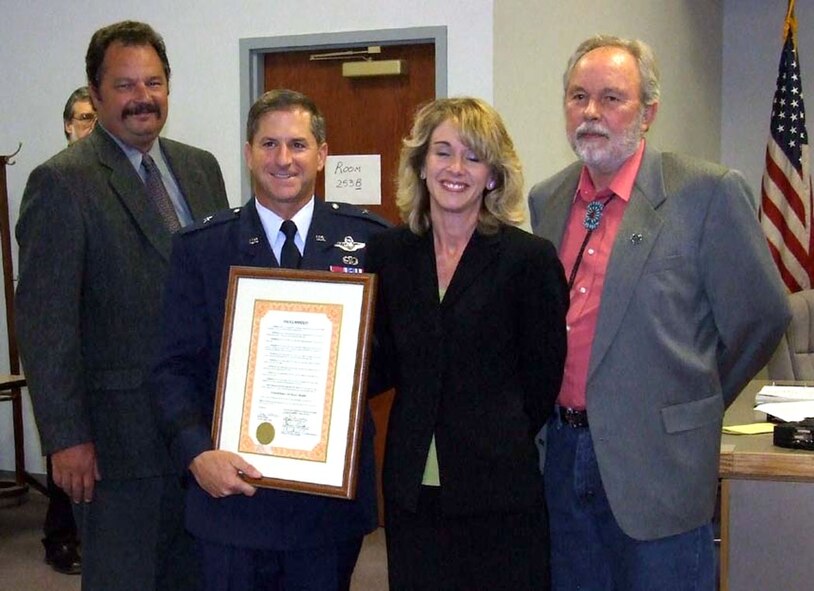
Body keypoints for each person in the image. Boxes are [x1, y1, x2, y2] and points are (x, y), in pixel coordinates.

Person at [528, 34, 791, 591]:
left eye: (611, 98)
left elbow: (763, 315)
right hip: (563, 456)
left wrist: (699, 393)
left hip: (662, 464)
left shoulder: (707, 192)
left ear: (648, 112)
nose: (591, 112)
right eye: (578, 96)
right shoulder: (547, 199)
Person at [15, 20, 228, 591]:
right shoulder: (62, 183)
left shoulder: (201, 168)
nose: (143, 98)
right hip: (115, 448)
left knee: (198, 577)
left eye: (154, 82)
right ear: (96, 90)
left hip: (201, 436)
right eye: (126, 85)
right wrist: (65, 437)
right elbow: (44, 323)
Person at [150, 88, 387, 591]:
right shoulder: (202, 248)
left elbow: (388, 357)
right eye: (269, 144)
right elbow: (172, 368)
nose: (284, 160)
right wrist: (197, 454)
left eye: (298, 145)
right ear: (248, 153)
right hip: (231, 498)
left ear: (322, 154)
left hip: (325, 505)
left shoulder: (370, 242)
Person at [366, 97, 569, 590]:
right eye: (442, 152)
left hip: (499, 491)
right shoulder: (390, 253)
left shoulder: (530, 260)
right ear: (420, 163)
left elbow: (542, 381)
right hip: (413, 489)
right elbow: (381, 362)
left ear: (493, 176)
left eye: (473, 157)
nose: (456, 169)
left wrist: (493, 435)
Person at [38, 85, 97, 577]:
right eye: (80, 117)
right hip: (71, 356)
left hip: (109, 362)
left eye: (93, 117)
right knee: (70, 461)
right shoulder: (54, 182)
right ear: (66, 125)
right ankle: (60, 538)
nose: (87, 125)